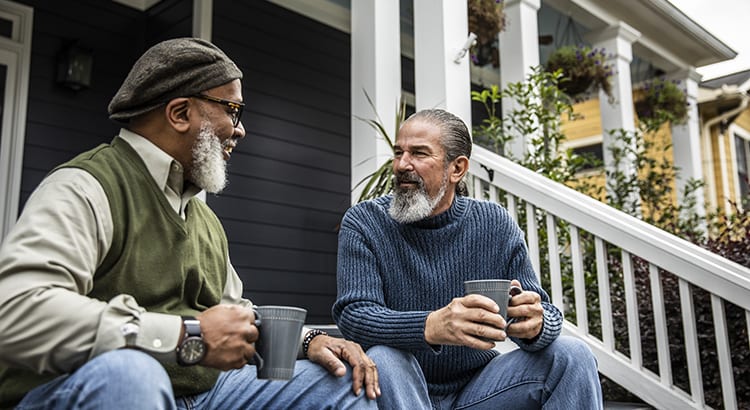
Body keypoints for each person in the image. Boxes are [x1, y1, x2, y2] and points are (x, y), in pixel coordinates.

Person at [0, 37, 379, 410]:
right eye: (232, 110)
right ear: (180, 113)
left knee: (341, 382)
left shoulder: (205, 218)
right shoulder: (86, 186)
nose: (240, 129)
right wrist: (186, 336)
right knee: (132, 374)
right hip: (84, 389)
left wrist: (309, 340)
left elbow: (236, 317)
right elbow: (15, 310)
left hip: (203, 393)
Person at [333, 108, 603, 409]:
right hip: (400, 384)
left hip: (482, 388)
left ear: (457, 169)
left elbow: (543, 309)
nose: (402, 164)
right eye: (399, 152)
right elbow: (355, 315)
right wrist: (432, 325)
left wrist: (537, 325)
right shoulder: (365, 221)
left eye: (419, 154)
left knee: (573, 355)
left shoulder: (494, 223)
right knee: (385, 356)